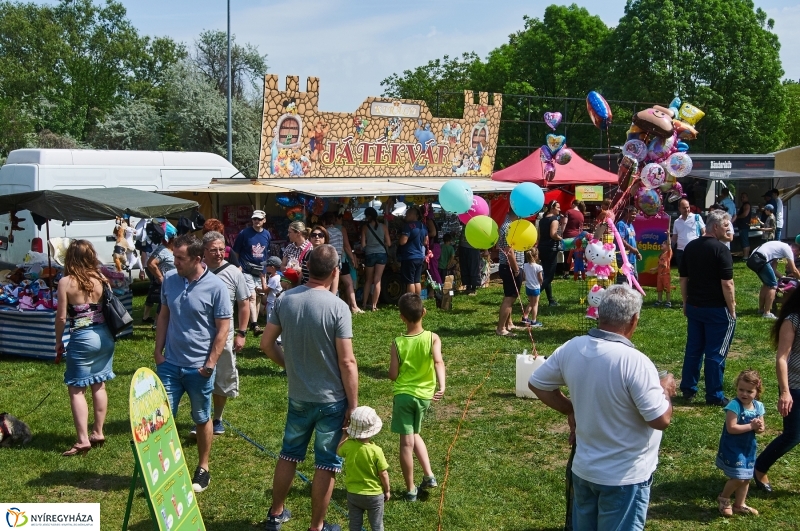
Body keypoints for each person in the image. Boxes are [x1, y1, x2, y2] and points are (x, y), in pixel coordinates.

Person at [528, 284, 674, 531]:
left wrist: (569, 408)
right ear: (633, 320)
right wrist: (666, 391)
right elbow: (660, 419)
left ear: (599, 314)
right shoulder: (635, 362)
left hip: (585, 470)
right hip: (624, 477)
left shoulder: (573, 347)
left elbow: (538, 384)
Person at [261, 244, 358, 531]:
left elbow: (266, 344)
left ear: (307, 267)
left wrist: (289, 365)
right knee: (326, 464)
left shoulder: (285, 300)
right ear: (334, 271)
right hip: (332, 401)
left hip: (299, 396)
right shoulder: (338, 307)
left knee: (288, 454)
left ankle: (275, 514)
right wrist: (353, 405)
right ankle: (317, 526)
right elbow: (348, 361)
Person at [154, 234, 232, 493]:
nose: (174, 262)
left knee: (201, 418)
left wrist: (209, 364)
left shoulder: (216, 287)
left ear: (197, 259)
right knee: (162, 419)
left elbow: (223, 329)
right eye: (174, 256)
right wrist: (158, 352)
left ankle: (203, 468)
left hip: (199, 368)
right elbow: (164, 316)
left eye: (179, 258)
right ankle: (164, 470)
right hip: (170, 365)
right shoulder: (170, 282)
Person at [55, 240, 116, 456]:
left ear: (70, 258)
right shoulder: (101, 279)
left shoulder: (65, 282)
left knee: (76, 390)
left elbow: (62, 317)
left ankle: (82, 440)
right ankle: (98, 432)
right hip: (105, 336)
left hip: (82, 338)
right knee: (99, 385)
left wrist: (58, 342)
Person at [388, 293, 445, 501]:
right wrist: (442, 386)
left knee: (406, 443)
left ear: (401, 317)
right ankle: (429, 475)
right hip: (424, 397)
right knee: (414, 434)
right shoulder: (433, 338)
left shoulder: (397, 343)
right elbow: (438, 362)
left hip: (403, 396)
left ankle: (411, 489)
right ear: (424, 312)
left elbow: (393, 375)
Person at [679, 210, 736, 406]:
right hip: (717, 309)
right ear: (715, 227)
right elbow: (727, 284)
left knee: (694, 349)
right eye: (726, 225)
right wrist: (732, 309)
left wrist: (685, 302)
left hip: (695, 306)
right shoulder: (721, 250)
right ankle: (714, 395)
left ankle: (688, 388)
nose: (728, 228)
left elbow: (683, 278)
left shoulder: (690, 247)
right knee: (716, 352)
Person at [201, 231, 250, 436]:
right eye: (214, 250)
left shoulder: (234, 273)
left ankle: (217, 418)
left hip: (226, 334)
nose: (219, 254)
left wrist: (242, 333)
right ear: (203, 251)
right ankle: (201, 417)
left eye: (222, 249)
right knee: (199, 377)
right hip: (200, 333)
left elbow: (244, 304)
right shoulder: (197, 271)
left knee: (222, 376)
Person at [753, 287, 800, 494]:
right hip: (796, 385)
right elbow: (782, 357)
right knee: (793, 435)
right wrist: (785, 391)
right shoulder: (793, 320)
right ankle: (760, 467)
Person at [715, 370, 765, 517]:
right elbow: (731, 428)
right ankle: (724, 498)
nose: (744, 394)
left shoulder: (758, 407)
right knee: (738, 477)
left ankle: (739, 504)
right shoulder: (734, 405)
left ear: (757, 391)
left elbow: (761, 429)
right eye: (741, 389)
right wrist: (751, 426)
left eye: (749, 391)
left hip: (748, 448)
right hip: (733, 447)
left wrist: (759, 427)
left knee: (746, 477)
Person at [336, 406, 390, 531]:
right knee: (377, 525)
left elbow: (338, 451)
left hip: (353, 494)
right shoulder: (376, 451)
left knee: (354, 525)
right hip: (374, 495)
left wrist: (344, 435)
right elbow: (383, 474)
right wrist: (387, 491)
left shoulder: (348, 446)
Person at [233, 209, 271, 336]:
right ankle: (255, 324)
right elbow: (236, 251)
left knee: (259, 295)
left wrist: (266, 270)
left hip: (261, 270)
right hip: (246, 269)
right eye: (254, 219)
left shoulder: (267, 234)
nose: (256, 221)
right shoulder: (244, 233)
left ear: (264, 220)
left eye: (259, 219)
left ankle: (253, 321)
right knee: (252, 296)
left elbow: (266, 252)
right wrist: (237, 266)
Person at [747, 240, 800, 319]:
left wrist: (783, 278)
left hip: (752, 260)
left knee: (767, 283)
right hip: (760, 259)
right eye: (797, 254)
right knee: (773, 285)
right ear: (795, 250)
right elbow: (794, 270)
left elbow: (773, 269)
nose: (795, 256)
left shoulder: (778, 248)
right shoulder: (788, 249)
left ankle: (761, 309)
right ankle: (767, 313)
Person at [323, 213, 362, 314]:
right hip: (342, 260)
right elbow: (345, 246)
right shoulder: (339, 231)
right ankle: (354, 306)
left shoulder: (325, 233)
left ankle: (331, 307)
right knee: (349, 283)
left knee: (330, 284)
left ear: (324, 222)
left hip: (330, 261)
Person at [496, 211, 525, 337]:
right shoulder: (509, 227)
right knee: (510, 297)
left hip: (508, 266)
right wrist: (516, 269)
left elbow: (499, 245)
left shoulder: (507, 225)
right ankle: (501, 328)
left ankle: (509, 324)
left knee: (510, 296)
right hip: (510, 267)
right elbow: (509, 251)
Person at [360, 206, 391, 311]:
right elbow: (389, 243)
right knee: (378, 280)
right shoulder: (383, 227)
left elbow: (363, 244)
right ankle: (374, 305)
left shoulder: (365, 227)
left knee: (368, 280)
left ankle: (364, 304)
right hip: (381, 254)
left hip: (369, 254)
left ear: (367, 216)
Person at [398, 206, 428, 295]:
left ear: (413, 215)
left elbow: (403, 241)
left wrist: (399, 240)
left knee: (410, 281)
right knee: (417, 280)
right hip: (419, 256)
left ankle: (411, 301)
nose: (406, 216)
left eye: (407, 214)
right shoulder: (423, 226)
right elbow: (425, 242)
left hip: (409, 256)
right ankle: (417, 301)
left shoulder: (408, 226)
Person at [538, 201, 563, 306]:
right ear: (552, 208)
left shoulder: (542, 220)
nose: (559, 209)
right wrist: (561, 239)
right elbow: (553, 235)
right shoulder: (554, 220)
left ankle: (551, 300)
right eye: (558, 207)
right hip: (551, 249)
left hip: (542, 248)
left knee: (546, 275)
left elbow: (539, 236)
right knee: (550, 276)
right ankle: (534, 294)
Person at [672, 199, 705, 269]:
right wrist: (669, 247)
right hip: (680, 252)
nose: (686, 209)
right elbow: (675, 237)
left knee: (694, 272)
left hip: (694, 250)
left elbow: (704, 233)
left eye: (688, 207)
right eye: (684, 208)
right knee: (682, 274)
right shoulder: (676, 222)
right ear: (679, 209)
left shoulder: (697, 218)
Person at [281, 221, 313, 286]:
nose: (288, 234)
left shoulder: (310, 248)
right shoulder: (289, 247)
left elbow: (312, 270)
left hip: (303, 285)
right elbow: (282, 266)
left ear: (298, 233)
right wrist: (288, 269)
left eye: (290, 232)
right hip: (289, 285)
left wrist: (299, 269)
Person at [616, 206, 642, 284]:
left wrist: (637, 252)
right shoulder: (621, 224)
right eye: (633, 214)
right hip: (623, 259)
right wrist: (633, 250)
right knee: (623, 281)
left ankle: (632, 296)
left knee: (634, 279)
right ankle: (620, 296)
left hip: (632, 258)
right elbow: (620, 240)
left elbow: (632, 240)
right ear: (627, 214)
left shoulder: (631, 225)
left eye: (635, 214)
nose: (635, 216)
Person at [562, 200, 585, 278]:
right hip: (578, 237)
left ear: (573, 204)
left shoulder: (568, 212)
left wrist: (561, 232)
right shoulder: (581, 214)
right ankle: (579, 273)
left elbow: (564, 223)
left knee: (568, 255)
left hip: (568, 235)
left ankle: (566, 273)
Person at [522, 248, 543, 327]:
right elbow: (540, 278)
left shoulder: (525, 265)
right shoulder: (538, 267)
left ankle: (525, 317)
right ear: (536, 256)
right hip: (535, 288)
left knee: (531, 303)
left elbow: (524, 276)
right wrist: (541, 282)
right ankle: (534, 321)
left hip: (528, 287)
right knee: (535, 304)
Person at [458, 226, 481, 296]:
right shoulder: (464, 221)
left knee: (473, 267)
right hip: (463, 246)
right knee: (465, 266)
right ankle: (468, 286)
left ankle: (473, 288)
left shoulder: (476, 223)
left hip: (473, 247)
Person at [651, 239, 673, 307]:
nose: (661, 244)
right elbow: (660, 265)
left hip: (666, 275)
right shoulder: (661, 255)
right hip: (659, 275)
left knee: (667, 288)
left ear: (667, 246)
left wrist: (668, 235)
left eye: (663, 243)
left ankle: (668, 302)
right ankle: (659, 300)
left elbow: (669, 244)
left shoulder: (668, 253)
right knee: (659, 288)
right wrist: (655, 269)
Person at [262, 256, 283, 322]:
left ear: (272, 268)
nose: (265, 267)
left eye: (267, 266)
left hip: (272, 303)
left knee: (271, 321)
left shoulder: (275, 278)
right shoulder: (274, 276)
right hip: (271, 302)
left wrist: (263, 278)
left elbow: (265, 290)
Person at [735, 193, 752, 259]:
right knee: (744, 240)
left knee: (744, 240)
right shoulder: (744, 205)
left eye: (743, 197)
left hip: (744, 225)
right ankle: (745, 255)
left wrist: (737, 217)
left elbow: (745, 214)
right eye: (741, 197)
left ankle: (745, 256)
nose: (742, 198)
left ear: (747, 197)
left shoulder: (747, 205)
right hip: (743, 225)